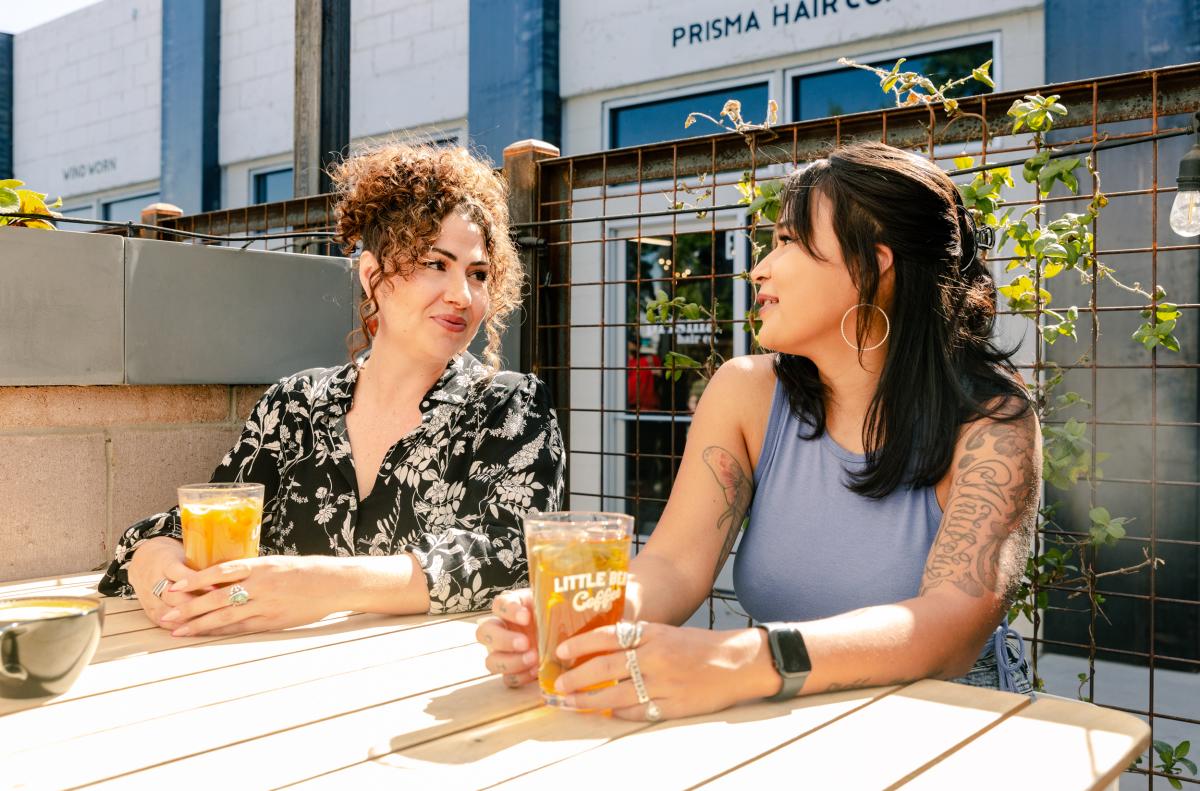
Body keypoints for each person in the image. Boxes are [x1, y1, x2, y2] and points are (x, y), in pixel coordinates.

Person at [477, 141, 1039, 721]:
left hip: (951, 721)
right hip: (782, 713)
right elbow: (673, 566)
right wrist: (585, 621)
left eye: (789, 240)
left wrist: (737, 660)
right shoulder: (746, 392)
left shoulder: (991, 422)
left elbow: (950, 628)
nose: (759, 268)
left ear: (872, 266)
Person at [99, 143, 565, 635]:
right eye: (435, 264)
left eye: (478, 274)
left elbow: (514, 554)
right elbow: (198, 523)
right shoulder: (294, 406)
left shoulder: (511, 408)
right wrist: (157, 567)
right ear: (372, 275)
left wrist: (324, 586)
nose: (461, 295)